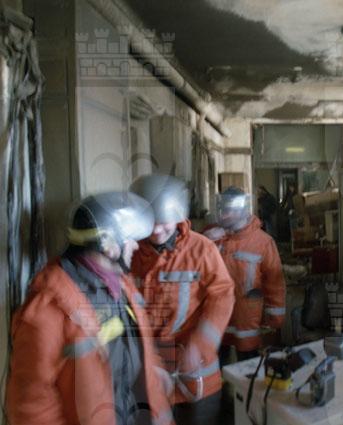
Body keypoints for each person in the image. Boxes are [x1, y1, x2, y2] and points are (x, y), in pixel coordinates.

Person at [6, 191, 175, 425]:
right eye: (130, 239)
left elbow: (138, 342)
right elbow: (31, 406)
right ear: (108, 247)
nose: (136, 245)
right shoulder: (48, 308)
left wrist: (153, 371)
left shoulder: (120, 284)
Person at [129, 174, 234, 425]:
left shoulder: (202, 250)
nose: (156, 230)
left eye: (163, 222)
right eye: (150, 222)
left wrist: (201, 344)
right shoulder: (130, 253)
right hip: (149, 379)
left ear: (177, 216)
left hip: (197, 379)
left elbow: (222, 295)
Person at [203, 187, 286, 361]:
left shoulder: (262, 242)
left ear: (242, 210)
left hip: (246, 321)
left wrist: (274, 319)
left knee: (247, 369)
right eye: (222, 210)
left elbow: (274, 283)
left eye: (228, 210)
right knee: (216, 367)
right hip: (216, 319)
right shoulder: (212, 237)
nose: (223, 215)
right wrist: (205, 240)